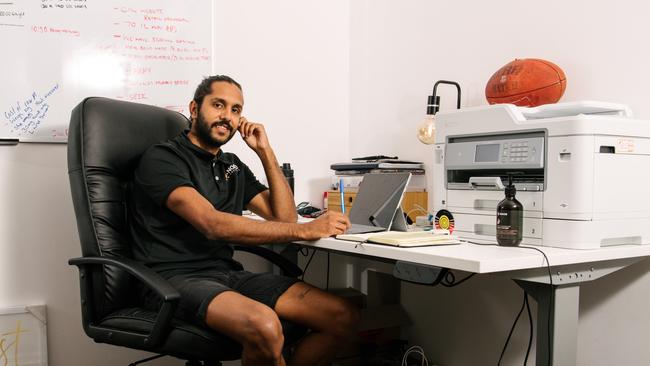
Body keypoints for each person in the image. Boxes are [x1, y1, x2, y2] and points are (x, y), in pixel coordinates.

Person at [128, 75, 358, 366]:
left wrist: (265, 151)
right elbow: (212, 224)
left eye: (236, 110)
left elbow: (283, 217)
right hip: (170, 279)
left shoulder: (231, 165)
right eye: (218, 105)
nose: (227, 116)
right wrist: (306, 228)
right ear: (195, 108)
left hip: (225, 274)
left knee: (342, 317)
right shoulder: (163, 158)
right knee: (264, 326)